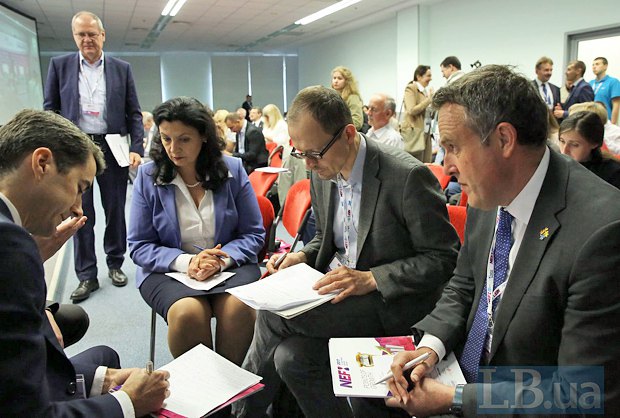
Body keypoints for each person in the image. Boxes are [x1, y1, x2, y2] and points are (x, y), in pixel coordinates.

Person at [383, 65, 620, 417]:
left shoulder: (601, 231)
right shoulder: (489, 187)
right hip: (462, 371)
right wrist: (430, 347)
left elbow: (583, 395)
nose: (446, 165)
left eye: (452, 148)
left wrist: (456, 399)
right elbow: (465, 284)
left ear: (504, 140)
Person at [235, 85, 459, 418]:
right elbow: (327, 238)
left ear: (348, 134)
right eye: (301, 154)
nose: (309, 164)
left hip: (391, 305)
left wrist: (372, 278)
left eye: (315, 154)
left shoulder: (406, 176)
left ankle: (238, 410)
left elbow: (443, 258)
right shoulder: (323, 171)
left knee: (272, 314)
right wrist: (302, 256)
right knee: (290, 357)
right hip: (339, 296)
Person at [0, 109, 169, 417]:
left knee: (105, 360)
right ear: (42, 163)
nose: (78, 209)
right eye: (79, 188)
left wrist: (103, 382)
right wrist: (127, 403)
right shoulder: (10, 245)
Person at [128, 97, 264, 365]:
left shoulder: (232, 169)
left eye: (183, 139)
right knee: (188, 313)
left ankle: (230, 392)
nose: (173, 148)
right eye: (166, 138)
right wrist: (187, 262)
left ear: (203, 136)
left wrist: (220, 260)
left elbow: (253, 234)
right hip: (168, 270)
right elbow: (139, 245)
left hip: (230, 264)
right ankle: (205, 398)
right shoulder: (148, 176)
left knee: (239, 308)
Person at [43, 11, 143, 302]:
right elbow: (50, 109)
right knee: (79, 213)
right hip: (75, 150)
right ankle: (86, 275)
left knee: (115, 210)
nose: (87, 40)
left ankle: (115, 263)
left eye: (92, 34)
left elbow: (133, 112)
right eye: (81, 34)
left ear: (103, 36)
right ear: (75, 37)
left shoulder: (121, 68)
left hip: (112, 147)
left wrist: (136, 146)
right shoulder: (59, 66)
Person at [558, 111, 620, 189]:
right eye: (562, 141)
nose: (564, 151)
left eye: (574, 145)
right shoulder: (556, 166)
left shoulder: (613, 173)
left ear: (594, 143)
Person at [401, 65, 434, 162]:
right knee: (416, 164)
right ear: (419, 77)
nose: (430, 78)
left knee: (426, 164)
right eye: (428, 75)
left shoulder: (425, 92)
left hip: (426, 132)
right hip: (415, 133)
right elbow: (412, 110)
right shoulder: (411, 88)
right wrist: (429, 100)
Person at [331, 66, 364, 131]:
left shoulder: (352, 97)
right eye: (334, 78)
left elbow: (357, 122)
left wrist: (336, 126)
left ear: (347, 81)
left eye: (339, 78)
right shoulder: (331, 96)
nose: (336, 81)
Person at [590, 57, 620, 124]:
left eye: (597, 64)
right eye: (593, 65)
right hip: (590, 121)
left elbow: (616, 105)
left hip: (606, 121)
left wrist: (613, 125)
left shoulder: (613, 82)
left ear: (605, 66)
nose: (594, 67)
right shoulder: (590, 83)